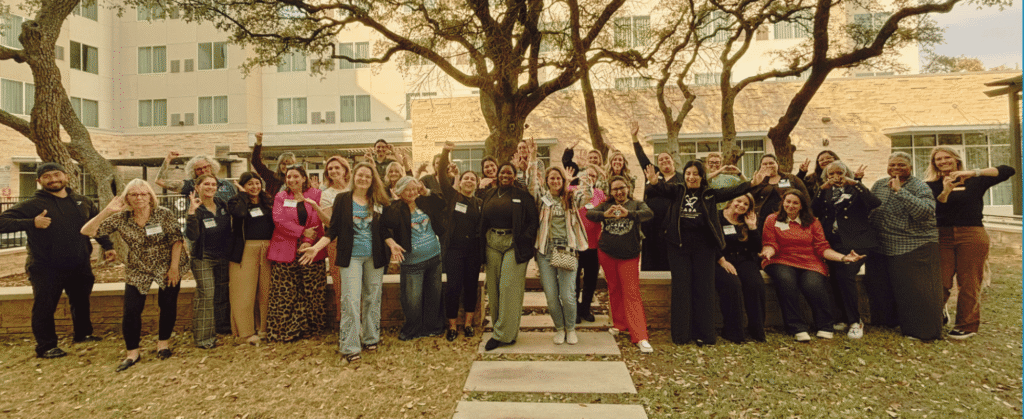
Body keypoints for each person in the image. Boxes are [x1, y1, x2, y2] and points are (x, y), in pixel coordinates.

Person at [0, 163, 116, 358]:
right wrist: (32, 222)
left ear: (66, 176)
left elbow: (97, 225)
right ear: (39, 181)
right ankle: (46, 346)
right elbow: (2, 222)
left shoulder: (82, 201)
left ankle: (83, 334)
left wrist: (108, 246)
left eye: (56, 174)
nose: (53, 179)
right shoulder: (32, 204)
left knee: (81, 301)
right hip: (45, 266)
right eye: (47, 177)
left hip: (79, 264)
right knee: (44, 307)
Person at [81, 179, 190, 371]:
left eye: (143, 194)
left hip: (168, 264)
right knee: (131, 310)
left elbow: (177, 240)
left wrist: (174, 268)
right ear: (127, 198)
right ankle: (132, 352)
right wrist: (107, 211)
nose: (139, 197)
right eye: (134, 194)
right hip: (138, 266)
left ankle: (163, 344)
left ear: (150, 197)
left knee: (167, 305)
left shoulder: (163, 213)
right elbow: (87, 231)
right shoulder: (121, 218)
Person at [644, 161, 756, 346]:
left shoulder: (709, 194)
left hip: (704, 248)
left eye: (695, 173)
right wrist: (654, 182)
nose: (691, 177)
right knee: (681, 290)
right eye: (688, 173)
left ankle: (704, 334)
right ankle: (681, 335)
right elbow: (662, 189)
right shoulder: (678, 190)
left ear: (702, 176)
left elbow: (732, 192)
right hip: (678, 248)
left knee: (704, 290)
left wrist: (751, 183)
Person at [301, 162, 390, 362]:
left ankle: (371, 338)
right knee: (350, 300)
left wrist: (392, 244)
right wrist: (316, 247)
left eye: (368, 176)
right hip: (351, 257)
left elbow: (384, 229)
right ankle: (350, 347)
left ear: (372, 180)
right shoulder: (342, 199)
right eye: (360, 175)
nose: (363, 179)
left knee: (372, 298)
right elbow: (333, 229)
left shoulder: (378, 200)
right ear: (354, 177)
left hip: (375, 257)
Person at [925, 146, 1015, 339]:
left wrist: (973, 172)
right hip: (942, 235)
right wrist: (945, 191)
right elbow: (935, 210)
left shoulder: (975, 180)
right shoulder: (930, 185)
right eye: (938, 159)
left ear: (956, 159)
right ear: (934, 164)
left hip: (972, 234)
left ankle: (966, 325)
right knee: (940, 280)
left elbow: (1008, 170)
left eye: (947, 157)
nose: (943, 161)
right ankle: (934, 317)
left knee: (969, 281)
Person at [760, 190, 865, 342]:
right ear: (783, 202)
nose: (790, 205)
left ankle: (825, 325)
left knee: (813, 285)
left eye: (795, 203)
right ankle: (797, 327)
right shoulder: (772, 219)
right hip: (781, 259)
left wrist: (843, 258)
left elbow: (822, 247)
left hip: (809, 261)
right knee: (786, 281)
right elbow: (770, 242)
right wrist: (768, 251)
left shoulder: (813, 222)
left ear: (802, 206)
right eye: (788, 201)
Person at [866, 152, 943, 341]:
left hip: (914, 244)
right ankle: (888, 321)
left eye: (901, 165)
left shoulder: (919, 186)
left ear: (910, 167)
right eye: (892, 165)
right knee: (884, 287)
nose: (896, 168)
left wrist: (900, 192)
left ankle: (923, 331)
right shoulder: (879, 184)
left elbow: (925, 212)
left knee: (916, 291)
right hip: (883, 244)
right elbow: (870, 209)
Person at [810, 161, 880, 339]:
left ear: (846, 173)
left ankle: (856, 321)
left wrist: (855, 183)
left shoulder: (855, 188)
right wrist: (821, 189)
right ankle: (842, 317)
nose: (836, 177)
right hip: (834, 242)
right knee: (834, 277)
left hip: (858, 241)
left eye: (839, 173)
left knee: (845, 274)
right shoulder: (825, 191)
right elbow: (813, 211)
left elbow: (874, 203)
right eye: (831, 174)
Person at [587, 176, 654, 353]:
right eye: (615, 189)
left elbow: (649, 214)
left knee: (631, 293)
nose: (619, 192)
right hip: (607, 254)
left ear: (628, 187)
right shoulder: (606, 205)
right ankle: (619, 324)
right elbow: (590, 214)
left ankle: (640, 336)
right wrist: (605, 214)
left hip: (629, 256)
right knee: (614, 289)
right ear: (610, 192)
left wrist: (628, 214)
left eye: (621, 188)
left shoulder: (636, 204)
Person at [528, 164, 592, 345]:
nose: (555, 181)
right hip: (545, 251)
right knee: (551, 296)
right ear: (547, 181)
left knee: (567, 295)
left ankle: (570, 329)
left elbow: (588, 195)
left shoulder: (570, 197)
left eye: (558, 178)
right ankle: (559, 329)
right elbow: (532, 187)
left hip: (566, 250)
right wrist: (533, 162)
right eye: (552, 178)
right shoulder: (542, 199)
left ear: (563, 180)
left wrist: (584, 172)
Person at [481, 162, 539, 351]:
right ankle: (500, 328)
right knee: (494, 289)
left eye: (509, 173)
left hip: (514, 245)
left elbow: (533, 221)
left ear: (514, 176)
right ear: (497, 175)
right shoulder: (489, 194)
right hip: (492, 242)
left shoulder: (523, 196)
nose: (505, 175)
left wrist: (523, 238)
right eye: (502, 172)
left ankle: (503, 335)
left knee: (508, 288)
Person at [267, 165, 328, 342]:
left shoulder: (315, 194)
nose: (292, 180)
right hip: (285, 249)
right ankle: (286, 330)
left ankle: (312, 329)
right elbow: (279, 220)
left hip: (311, 249)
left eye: (296, 176)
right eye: (288, 177)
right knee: (285, 293)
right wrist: (301, 232)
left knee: (312, 291)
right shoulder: (281, 196)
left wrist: (308, 240)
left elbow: (316, 218)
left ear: (303, 178)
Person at [382, 176, 447, 341]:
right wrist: (392, 244)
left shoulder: (424, 201)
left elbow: (442, 204)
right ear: (400, 192)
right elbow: (383, 226)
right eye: (407, 190)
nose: (411, 193)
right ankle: (413, 330)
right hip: (412, 262)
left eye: (414, 189)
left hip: (434, 256)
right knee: (412, 299)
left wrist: (426, 192)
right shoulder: (396, 208)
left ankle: (433, 327)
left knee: (434, 295)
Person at [437, 143, 483, 341]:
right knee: (453, 288)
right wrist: (445, 152)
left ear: (477, 184)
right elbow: (441, 175)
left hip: (473, 252)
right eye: (466, 178)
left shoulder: (479, 203)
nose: (469, 181)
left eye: (473, 179)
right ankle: (453, 326)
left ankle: (469, 324)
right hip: (454, 251)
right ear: (460, 182)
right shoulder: (453, 198)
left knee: (471, 287)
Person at [184, 174, 233, 347]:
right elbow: (191, 236)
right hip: (203, 257)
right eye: (206, 184)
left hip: (223, 256)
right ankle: (204, 338)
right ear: (197, 187)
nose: (211, 187)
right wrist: (191, 212)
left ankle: (221, 327)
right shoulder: (195, 208)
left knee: (221, 293)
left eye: (213, 184)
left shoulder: (222, 204)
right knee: (206, 294)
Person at [227, 172, 274, 345]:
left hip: (266, 249)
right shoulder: (236, 202)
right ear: (243, 186)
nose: (254, 187)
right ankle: (245, 332)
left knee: (265, 291)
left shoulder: (267, 201)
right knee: (243, 293)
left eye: (257, 183)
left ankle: (263, 329)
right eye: (250, 184)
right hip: (245, 250)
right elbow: (239, 214)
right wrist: (242, 195)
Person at [715, 194, 767, 343]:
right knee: (733, 285)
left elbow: (756, 248)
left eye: (746, 204)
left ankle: (757, 330)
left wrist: (752, 227)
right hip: (721, 260)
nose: (741, 205)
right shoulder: (717, 217)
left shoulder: (747, 221)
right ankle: (733, 332)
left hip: (744, 260)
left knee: (756, 285)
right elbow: (709, 242)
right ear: (731, 201)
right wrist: (721, 261)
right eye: (738, 201)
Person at [632, 123, 682, 272]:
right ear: (657, 164)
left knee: (669, 259)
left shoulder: (681, 178)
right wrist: (634, 138)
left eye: (667, 158)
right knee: (650, 258)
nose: (664, 161)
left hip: (671, 225)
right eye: (660, 160)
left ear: (673, 161)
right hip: (650, 224)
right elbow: (641, 157)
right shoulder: (652, 173)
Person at [317, 155, 352, 322]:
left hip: (360, 239)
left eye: (337, 167)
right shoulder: (326, 194)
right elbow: (330, 223)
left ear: (345, 170)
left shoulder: (355, 188)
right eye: (330, 168)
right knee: (340, 282)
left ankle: (359, 319)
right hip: (336, 242)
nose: (333, 171)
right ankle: (343, 320)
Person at [575, 164, 606, 324]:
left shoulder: (600, 193)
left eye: (593, 176)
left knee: (590, 280)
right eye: (587, 175)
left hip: (594, 245)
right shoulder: (573, 190)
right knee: (573, 280)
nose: (590, 178)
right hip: (575, 244)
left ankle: (585, 309)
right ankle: (574, 310)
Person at [747, 154, 809, 231]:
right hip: (762, 220)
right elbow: (749, 197)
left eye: (771, 163)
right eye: (765, 164)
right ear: (760, 166)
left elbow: (805, 196)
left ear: (777, 164)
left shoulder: (790, 178)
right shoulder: (757, 180)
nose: (768, 166)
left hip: (787, 218)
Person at [156, 152, 238, 202]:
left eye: (205, 167)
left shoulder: (226, 184)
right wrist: (168, 159)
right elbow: (159, 181)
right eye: (199, 169)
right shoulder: (190, 185)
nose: (203, 170)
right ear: (194, 172)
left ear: (211, 166)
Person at [795, 151, 866, 199]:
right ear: (818, 163)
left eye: (828, 158)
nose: (825, 161)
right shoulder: (810, 178)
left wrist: (857, 179)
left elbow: (858, 196)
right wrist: (801, 173)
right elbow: (796, 188)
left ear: (836, 159)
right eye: (821, 160)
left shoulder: (847, 176)